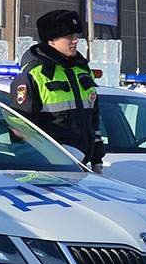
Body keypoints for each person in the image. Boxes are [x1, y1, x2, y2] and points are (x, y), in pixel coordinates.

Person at [11, 9, 106, 165]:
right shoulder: (34, 74)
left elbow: (93, 119)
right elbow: (20, 127)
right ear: (51, 40)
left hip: (82, 165)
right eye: (69, 37)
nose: (75, 41)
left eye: (76, 36)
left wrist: (97, 160)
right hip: (48, 166)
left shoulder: (82, 70)